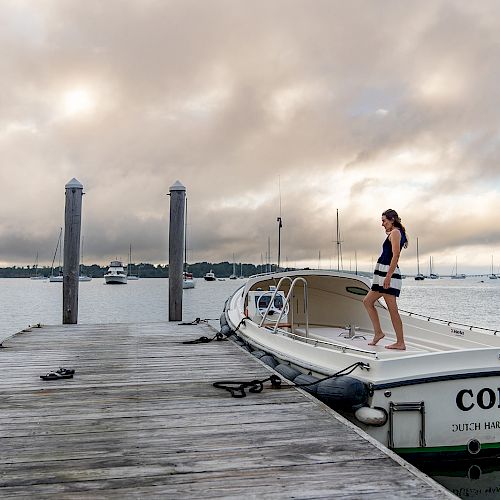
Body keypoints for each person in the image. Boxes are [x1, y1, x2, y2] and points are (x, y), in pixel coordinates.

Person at [363, 209, 408, 350]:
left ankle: (400, 342)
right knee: (368, 301)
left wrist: (388, 276)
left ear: (392, 220)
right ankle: (379, 333)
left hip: (388, 274)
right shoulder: (394, 233)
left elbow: (396, 255)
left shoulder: (395, 233)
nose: (382, 224)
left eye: (384, 221)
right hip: (384, 274)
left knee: (391, 309)